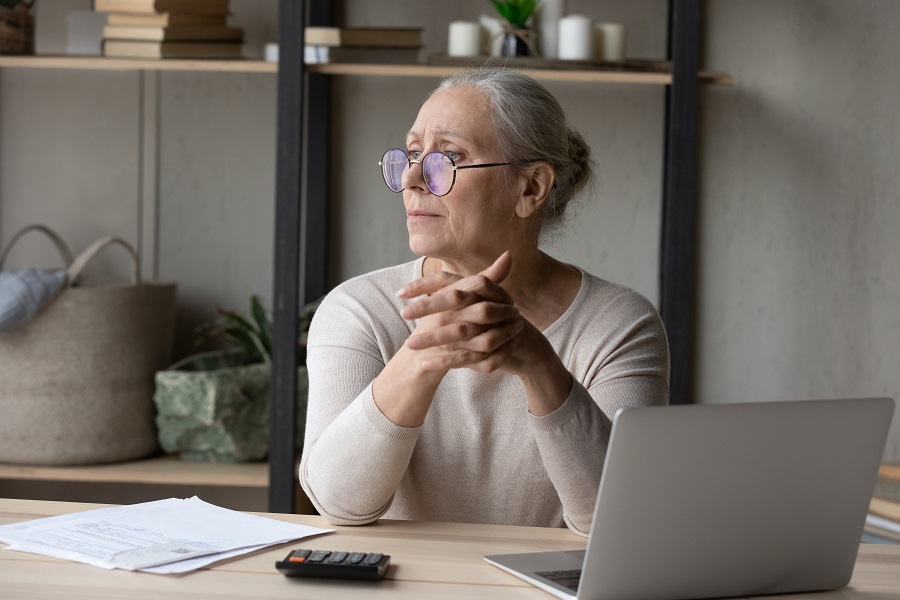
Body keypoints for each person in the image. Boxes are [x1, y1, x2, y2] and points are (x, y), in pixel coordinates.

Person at [299, 68, 669, 537]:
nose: (412, 177)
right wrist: (420, 358)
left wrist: (539, 365)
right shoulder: (358, 309)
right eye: (413, 154)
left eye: (447, 158)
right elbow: (338, 503)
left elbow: (620, 524)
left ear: (530, 187)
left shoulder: (618, 323)